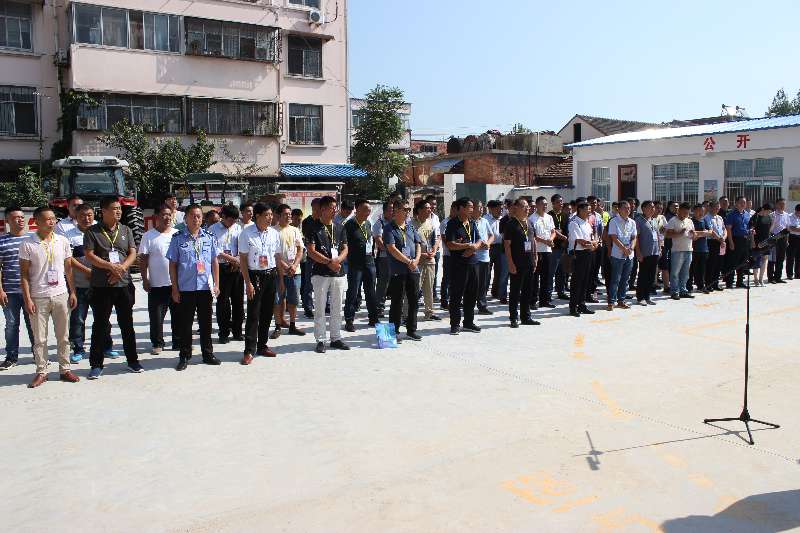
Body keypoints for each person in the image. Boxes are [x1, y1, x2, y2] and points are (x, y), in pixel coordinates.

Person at [20, 207, 79, 388]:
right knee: (40, 338)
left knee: (64, 336)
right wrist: (27, 299)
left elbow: (68, 269)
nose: (52, 222)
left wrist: (72, 292)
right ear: (36, 222)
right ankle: (42, 371)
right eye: (47, 219)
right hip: (38, 296)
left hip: (61, 294)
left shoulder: (62, 240)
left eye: (53, 218)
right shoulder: (27, 244)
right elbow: (24, 274)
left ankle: (65, 369)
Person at [84, 196, 142, 379]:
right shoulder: (92, 231)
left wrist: (122, 268)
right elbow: (89, 255)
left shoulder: (126, 229)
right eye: (115, 208)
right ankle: (96, 364)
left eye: (120, 209)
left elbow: (133, 252)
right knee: (100, 325)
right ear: (104, 211)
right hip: (102, 285)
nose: (119, 211)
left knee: (127, 324)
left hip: (123, 284)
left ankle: (132, 360)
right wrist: (110, 267)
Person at [167, 204, 221, 371]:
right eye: (192, 216)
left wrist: (217, 284)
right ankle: (184, 355)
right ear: (185, 218)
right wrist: (174, 288)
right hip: (186, 288)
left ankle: (207, 353)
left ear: (202, 219)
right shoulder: (177, 238)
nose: (196, 219)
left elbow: (214, 261)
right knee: (185, 324)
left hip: (205, 287)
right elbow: (172, 264)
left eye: (198, 216)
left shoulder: (209, 237)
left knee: (206, 323)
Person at [238, 203, 282, 364]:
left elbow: (277, 257)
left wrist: (281, 279)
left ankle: (262, 345)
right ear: (257, 216)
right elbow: (243, 260)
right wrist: (248, 282)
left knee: (267, 313)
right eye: (267, 215)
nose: (270, 218)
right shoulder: (246, 233)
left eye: (271, 215)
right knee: (253, 314)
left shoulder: (274, 233)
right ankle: (249, 350)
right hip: (255, 276)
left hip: (271, 275)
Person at [307, 196, 350, 353]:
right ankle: (320, 339)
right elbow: (311, 251)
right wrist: (328, 262)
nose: (335, 210)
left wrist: (337, 260)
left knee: (337, 308)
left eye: (335, 207)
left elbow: (345, 248)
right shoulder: (313, 228)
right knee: (319, 307)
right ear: (323, 209)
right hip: (321, 273)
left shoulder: (339, 227)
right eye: (332, 207)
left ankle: (336, 338)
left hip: (338, 272)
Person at [138, 204, 179, 355]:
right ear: (156, 216)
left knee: (178, 315)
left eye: (169, 214)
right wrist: (145, 279)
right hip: (156, 284)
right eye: (163, 214)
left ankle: (178, 341)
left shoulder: (177, 234)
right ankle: (157, 343)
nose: (167, 217)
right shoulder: (148, 236)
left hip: (176, 284)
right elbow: (143, 259)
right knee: (156, 316)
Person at [0, 206, 34, 370]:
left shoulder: (33, 239)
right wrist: (0, 290)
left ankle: (38, 355)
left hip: (32, 292)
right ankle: (11, 357)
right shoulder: (1, 241)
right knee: (11, 325)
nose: (20, 220)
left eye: (21, 217)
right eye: (15, 218)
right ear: (7, 221)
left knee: (33, 324)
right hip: (10, 292)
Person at [384, 200, 423, 341]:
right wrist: (408, 261)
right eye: (405, 209)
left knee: (413, 300)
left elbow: (418, 244)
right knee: (397, 301)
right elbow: (392, 249)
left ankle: (411, 330)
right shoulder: (389, 228)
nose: (407, 212)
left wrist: (416, 260)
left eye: (408, 209)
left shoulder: (410, 226)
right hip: (398, 270)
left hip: (413, 269)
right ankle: (393, 332)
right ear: (396, 210)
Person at [445, 197, 483, 335]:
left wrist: (474, 248)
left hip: (473, 263)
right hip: (459, 264)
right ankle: (455, 324)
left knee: (472, 294)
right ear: (461, 208)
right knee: (456, 295)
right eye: (469, 207)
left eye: (473, 207)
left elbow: (479, 240)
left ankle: (468, 322)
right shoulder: (453, 224)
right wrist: (467, 246)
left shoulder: (472, 222)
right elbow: (450, 244)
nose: (472, 209)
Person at [208, 204, 244, 343]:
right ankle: (223, 333)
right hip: (221, 268)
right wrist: (232, 259)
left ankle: (237, 331)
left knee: (238, 301)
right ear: (223, 217)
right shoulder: (213, 229)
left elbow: (242, 246)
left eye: (235, 220)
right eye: (230, 219)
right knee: (223, 302)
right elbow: (215, 250)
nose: (233, 222)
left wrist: (238, 260)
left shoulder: (238, 228)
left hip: (236, 268)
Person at [343, 198, 378, 331]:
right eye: (365, 209)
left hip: (369, 262)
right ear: (356, 210)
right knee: (352, 292)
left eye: (369, 210)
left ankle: (373, 318)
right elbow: (344, 245)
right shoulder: (349, 225)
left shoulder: (368, 223)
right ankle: (349, 320)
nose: (367, 212)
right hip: (355, 264)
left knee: (371, 292)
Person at [272, 204, 305, 337]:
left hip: (295, 272)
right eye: (286, 214)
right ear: (278, 215)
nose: (289, 216)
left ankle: (292, 325)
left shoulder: (295, 230)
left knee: (293, 300)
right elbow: (274, 253)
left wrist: (295, 265)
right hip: (277, 272)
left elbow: (300, 249)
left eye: (290, 214)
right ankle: (277, 326)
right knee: (277, 300)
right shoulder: (272, 231)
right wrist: (286, 266)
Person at [504, 198, 539, 327]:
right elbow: (507, 245)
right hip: (517, 263)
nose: (527, 209)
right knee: (515, 292)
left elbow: (533, 241)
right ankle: (513, 318)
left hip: (529, 262)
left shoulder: (529, 223)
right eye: (524, 206)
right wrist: (510, 263)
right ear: (516, 208)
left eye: (528, 207)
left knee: (527, 291)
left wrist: (535, 257)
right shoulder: (511, 224)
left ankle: (526, 317)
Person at [411, 199, 440, 321]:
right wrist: (419, 255)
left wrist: (434, 250)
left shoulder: (431, 223)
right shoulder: (411, 224)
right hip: (417, 260)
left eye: (430, 208)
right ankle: (406, 314)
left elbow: (437, 238)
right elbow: (409, 243)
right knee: (413, 289)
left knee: (429, 288)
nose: (430, 210)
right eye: (427, 208)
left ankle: (429, 312)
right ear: (419, 210)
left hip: (430, 259)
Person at [568, 202, 598, 317]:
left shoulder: (587, 223)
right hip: (579, 254)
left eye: (590, 209)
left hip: (588, 253)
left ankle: (582, 304)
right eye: (587, 209)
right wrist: (593, 243)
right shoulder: (574, 223)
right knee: (577, 281)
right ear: (580, 210)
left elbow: (592, 237)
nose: (589, 211)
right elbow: (580, 240)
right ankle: (573, 307)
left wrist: (594, 244)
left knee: (585, 280)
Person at [606, 200, 638, 310]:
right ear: (619, 209)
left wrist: (631, 248)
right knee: (615, 279)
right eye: (625, 208)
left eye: (629, 208)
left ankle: (621, 300)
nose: (628, 210)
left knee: (625, 279)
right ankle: (611, 301)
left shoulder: (632, 222)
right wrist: (624, 248)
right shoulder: (614, 221)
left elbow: (634, 237)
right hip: (617, 254)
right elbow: (614, 237)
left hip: (629, 254)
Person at [665, 202, 699, 300]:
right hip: (677, 250)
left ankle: (683, 290)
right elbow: (668, 235)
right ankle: (674, 292)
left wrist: (694, 235)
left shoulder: (689, 221)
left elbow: (694, 236)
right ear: (679, 210)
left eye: (687, 213)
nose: (685, 215)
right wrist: (679, 233)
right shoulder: (673, 220)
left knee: (685, 273)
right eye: (684, 212)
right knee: (675, 273)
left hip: (689, 249)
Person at [529, 196, 556, 309]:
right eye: (542, 204)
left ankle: (544, 300)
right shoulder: (531, 218)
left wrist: (551, 239)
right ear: (537, 205)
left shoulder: (549, 217)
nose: (545, 206)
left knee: (547, 276)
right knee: (535, 277)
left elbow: (553, 231)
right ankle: (533, 301)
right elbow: (533, 236)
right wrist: (546, 241)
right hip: (537, 251)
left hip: (547, 250)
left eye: (546, 204)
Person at [634, 201, 659, 305]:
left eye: (653, 207)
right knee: (643, 275)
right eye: (650, 207)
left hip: (655, 252)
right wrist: (638, 252)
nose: (653, 209)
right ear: (643, 209)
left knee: (651, 276)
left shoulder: (654, 220)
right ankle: (640, 297)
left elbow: (657, 235)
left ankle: (647, 296)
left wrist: (659, 249)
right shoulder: (639, 221)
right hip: (644, 252)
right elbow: (636, 238)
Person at [724, 196, 752, 289]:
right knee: (733, 262)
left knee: (743, 261)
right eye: (741, 202)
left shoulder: (747, 214)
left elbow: (748, 227)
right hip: (735, 239)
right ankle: (729, 282)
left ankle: (740, 281)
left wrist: (750, 231)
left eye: (744, 202)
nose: (743, 204)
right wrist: (731, 242)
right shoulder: (732, 214)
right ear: (736, 203)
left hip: (745, 240)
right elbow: (728, 229)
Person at [472, 201, 494, 314]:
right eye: (479, 207)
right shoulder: (470, 221)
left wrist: (488, 243)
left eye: (482, 208)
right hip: (474, 257)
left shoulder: (484, 221)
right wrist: (478, 245)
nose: (481, 210)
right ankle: (470, 305)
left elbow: (491, 235)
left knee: (483, 283)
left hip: (485, 257)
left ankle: (482, 305)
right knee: (473, 283)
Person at [300, 199, 320, 318]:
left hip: (323, 257)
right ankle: (308, 307)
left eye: (319, 208)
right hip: (311, 256)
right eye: (315, 209)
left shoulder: (324, 221)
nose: (317, 211)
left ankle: (325, 305)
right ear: (312, 208)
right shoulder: (307, 222)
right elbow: (307, 238)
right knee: (308, 283)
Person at [373, 201, 393, 318]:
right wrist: (392, 250)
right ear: (385, 211)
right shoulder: (379, 224)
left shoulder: (397, 223)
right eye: (390, 209)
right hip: (385, 258)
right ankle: (379, 307)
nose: (393, 211)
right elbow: (379, 243)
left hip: (397, 258)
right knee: (383, 283)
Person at [548, 194, 570, 301]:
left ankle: (560, 291)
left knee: (562, 271)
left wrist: (566, 239)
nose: (560, 204)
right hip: (553, 247)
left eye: (561, 201)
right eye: (558, 202)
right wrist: (561, 236)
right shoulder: (549, 215)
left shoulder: (565, 215)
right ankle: (548, 293)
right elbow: (552, 230)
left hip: (563, 247)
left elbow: (567, 230)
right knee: (551, 271)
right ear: (553, 203)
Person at [485, 200, 506, 303]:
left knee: (500, 271)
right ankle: (483, 292)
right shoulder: (486, 219)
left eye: (502, 208)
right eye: (498, 208)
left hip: (501, 247)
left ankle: (496, 292)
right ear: (491, 209)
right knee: (487, 271)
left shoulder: (503, 219)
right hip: (489, 247)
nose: (501, 210)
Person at [704, 200, 727, 292]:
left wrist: (723, 238)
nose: (717, 209)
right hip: (712, 242)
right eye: (715, 207)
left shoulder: (720, 218)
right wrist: (720, 239)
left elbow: (724, 229)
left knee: (718, 264)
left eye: (718, 208)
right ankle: (708, 284)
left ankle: (715, 283)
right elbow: (711, 231)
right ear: (710, 207)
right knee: (711, 264)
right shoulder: (707, 217)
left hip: (721, 242)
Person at [748, 203, 773, 286]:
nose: (768, 213)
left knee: (765, 259)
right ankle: (755, 279)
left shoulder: (769, 218)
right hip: (757, 242)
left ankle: (761, 279)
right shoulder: (755, 217)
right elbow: (751, 230)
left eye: (770, 212)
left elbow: (769, 230)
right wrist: (752, 242)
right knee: (756, 259)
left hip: (766, 242)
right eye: (768, 211)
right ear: (763, 209)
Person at [689, 204, 712, 293]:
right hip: (693, 249)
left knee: (702, 269)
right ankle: (689, 286)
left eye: (703, 211)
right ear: (694, 211)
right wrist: (703, 233)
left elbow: (710, 232)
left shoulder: (704, 220)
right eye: (699, 211)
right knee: (691, 269)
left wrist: (699, 234)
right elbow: (692, 233)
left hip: (704, 249)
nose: (701, 213)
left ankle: (701, 286)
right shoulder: (691, 221)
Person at [424, 194, 442, 301]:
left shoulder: (436, 217)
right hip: (424, 250)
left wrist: (435, 248)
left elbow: (438, 234)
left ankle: (433, 294)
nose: (433, 206)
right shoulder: (420, 217)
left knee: (434, 274)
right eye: (431, 204)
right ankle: (420, 295)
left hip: (435, 250)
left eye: (435, 204)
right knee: (422, 274)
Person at [768, 198, 790, 283]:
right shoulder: (772, 215)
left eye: (783, 204)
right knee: (772, 259)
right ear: (776, 205)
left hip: (783, 238)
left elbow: (787, 228)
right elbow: (769, 229)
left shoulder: (786, 215)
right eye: (780, 204)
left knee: (781, 258)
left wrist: (787, 240)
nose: (782, 206)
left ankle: (778, 277)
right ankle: (771, 278)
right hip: (774, 237)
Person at [439, 202, 456, 309]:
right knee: (447, 278)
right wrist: (453, 246)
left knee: (455, 279)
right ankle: (444, 301)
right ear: (452, 209)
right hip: (448, 254)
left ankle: (453, 299)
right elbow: (444, 238)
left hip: (457, 255)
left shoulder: (457, 222)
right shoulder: (445, 222)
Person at [787, 204, 800, 280]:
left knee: (799, 257)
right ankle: (790, 274)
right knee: (790, 257)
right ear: (796, 211)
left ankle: (797, 274)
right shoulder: (790, 216)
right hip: (792, 237)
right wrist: (796, 229)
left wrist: (796, 228)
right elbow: (791, 228)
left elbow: (795, 228)